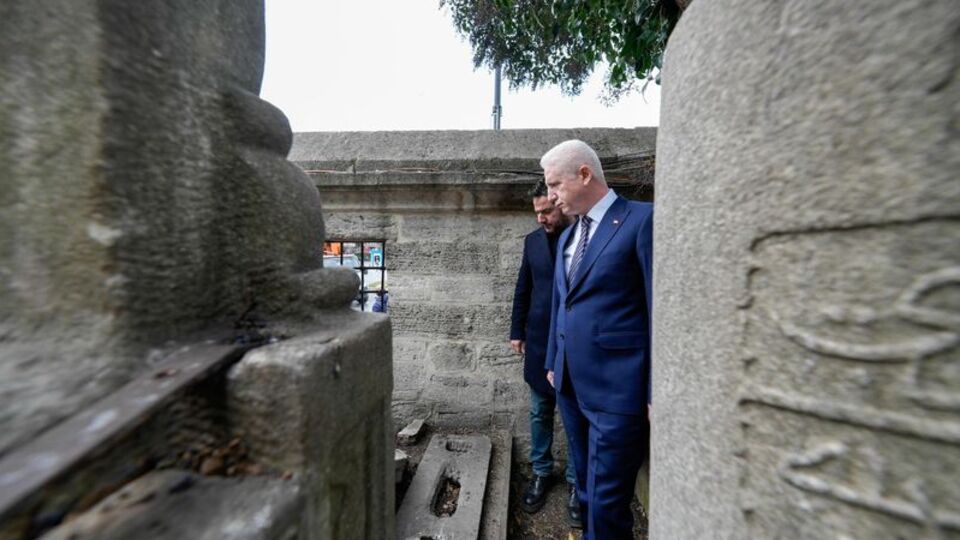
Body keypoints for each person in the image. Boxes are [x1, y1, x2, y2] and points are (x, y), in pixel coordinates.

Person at [542, 140, 653, 539]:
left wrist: (655, 391)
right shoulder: (569, 236)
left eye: (555, 184)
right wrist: (553, 362)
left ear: (585, 174)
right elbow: (561, 303)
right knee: (586, 491)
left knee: (608, 501)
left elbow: (659, 309)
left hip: (619, 390)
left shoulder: (643, 220)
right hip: (570, 386)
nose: (550, 197)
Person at [509, 180, 580, 526]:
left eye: (546, 211)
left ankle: (577, 482)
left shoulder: (582, 238)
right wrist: (516, 331)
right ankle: (541, 471)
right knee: (540, 411)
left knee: (574, 416)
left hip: (574, 344)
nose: (541, 218)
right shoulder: (532, 242)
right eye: (537, 213)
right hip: (538, 341)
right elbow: (523, 288)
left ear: (560, 204)